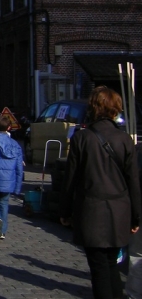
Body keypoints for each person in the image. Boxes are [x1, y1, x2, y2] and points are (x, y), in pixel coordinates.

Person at [60, 86, 141, 299]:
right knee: (111, 265)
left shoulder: (82, 138)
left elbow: (71, 179)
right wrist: (136, 217)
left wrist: (65, 211)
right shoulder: (125, 140)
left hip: (91, 210)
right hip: (119, 211)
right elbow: (133, 181)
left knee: (99, 268)